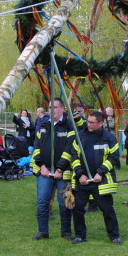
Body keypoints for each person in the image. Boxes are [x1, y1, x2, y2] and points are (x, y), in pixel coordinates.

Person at [69, 111, 121, 244]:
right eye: (88, 122)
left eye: (92, 122)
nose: (89, 124)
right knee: (78, 209)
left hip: (100, 180)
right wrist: (80, 174)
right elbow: (74, 156)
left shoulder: (109, 138)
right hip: (82, 180)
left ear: (100, 123)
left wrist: (101, 172)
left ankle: (114, 236)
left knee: (107, 209)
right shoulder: (80, 136)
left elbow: (114, 157)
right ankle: (80, 235)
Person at [31, 98, 75, 241]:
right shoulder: (43, 124)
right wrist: (41, 166)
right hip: (44, 171)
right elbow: (37, 147)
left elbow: (69, 149)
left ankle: (66, 232)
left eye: (55, 107)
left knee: (64, 202)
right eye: (49, 107)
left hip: (62, 172)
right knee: (42, 202)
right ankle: (43, 232)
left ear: (62, 109)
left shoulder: (69, 125)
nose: (51, 110)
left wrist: (60, 169)